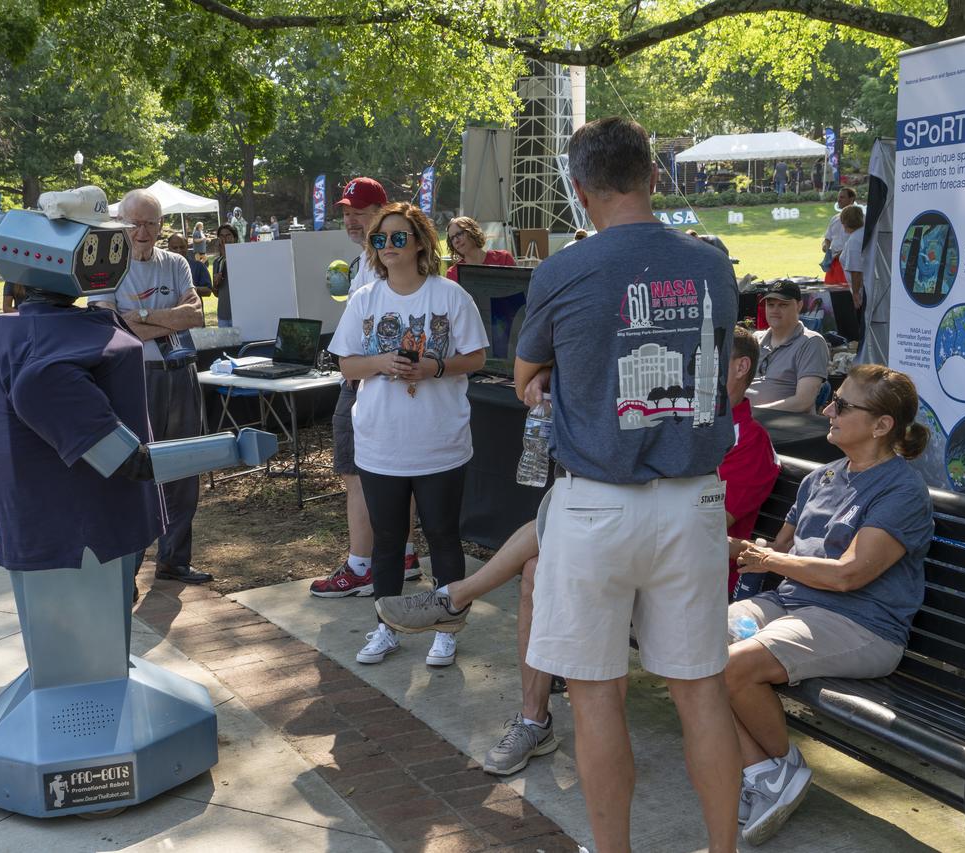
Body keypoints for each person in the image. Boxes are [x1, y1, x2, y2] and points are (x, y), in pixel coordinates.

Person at [376, 324, 780, 778]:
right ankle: (532, 719)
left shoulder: (747, 442)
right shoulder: (680, 420)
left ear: (740, 367)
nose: (690, 368)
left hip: (683, 573)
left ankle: (458, 599)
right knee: (538, 566)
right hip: (634, 548)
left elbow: (702, 529)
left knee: (555, 541)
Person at [517, 116, 743, 853]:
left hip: (597, 504)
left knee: (594, 697)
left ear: (580, 192)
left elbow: (526, 378)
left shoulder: (561, 270)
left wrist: (558, 375)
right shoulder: (711, 264)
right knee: (701, 691)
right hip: (695, 499)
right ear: (653, 174)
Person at [729, 364, 933, 845]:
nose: (828, 410)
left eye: (841, 404)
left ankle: (781, 767)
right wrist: (736, 548)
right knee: (690, 648)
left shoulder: (900, 491)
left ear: (882, 425)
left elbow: (849, 575)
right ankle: (765, 771)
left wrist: (768, 558)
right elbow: (774, 551)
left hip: (862, 624)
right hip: (791, 604)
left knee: (730, 667)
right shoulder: (821, 478)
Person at [327, 202, 488, 668]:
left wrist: (435, 366)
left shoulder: (451, 296)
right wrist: (381, 363)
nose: (388, 246)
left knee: (442, 535)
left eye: (398, 237)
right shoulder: (365, 300)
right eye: (380, 239)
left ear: (420, 241)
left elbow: (476, 358)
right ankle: (387, 627)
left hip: (439, 440)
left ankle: (446, 626)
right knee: (387, 540)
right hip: (380, 442)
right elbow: (345, 364)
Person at [87, 188, 210, 585]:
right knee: (137, 470)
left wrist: (139, 315)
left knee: (185, 468)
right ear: (120, 224)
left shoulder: (175, 263)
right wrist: (166, 317)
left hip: (181, 373)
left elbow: (195, 316)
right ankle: (129, 568)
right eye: (135, 223)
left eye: (151, 223)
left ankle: (174, 559)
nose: (143, 232)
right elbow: (113, 327)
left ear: (161, 226)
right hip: (132, 378)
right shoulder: (106, 266)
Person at [310, 177, 424, 597]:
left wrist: (364, 366)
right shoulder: (370, 261)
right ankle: (404, 554)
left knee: (358, 475)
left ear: (383, 210)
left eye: (359, 211)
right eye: (345, 211)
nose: (351, 219)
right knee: (388, 474)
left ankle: (362, 565)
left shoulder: (381, 262)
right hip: (375, 381)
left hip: (366, 384)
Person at [747, 280, 830, 413]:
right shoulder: (755, 339)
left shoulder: (811, 342)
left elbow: (803, 401)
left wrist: (753, 413)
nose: (775, 310)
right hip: (743, 423)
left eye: (783, 305)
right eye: (771, 304)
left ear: (799, 305)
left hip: (785, 427)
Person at [444, 216, 516, 282]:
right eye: (452, 238)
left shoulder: (504, 259)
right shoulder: (453, 273)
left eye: (459, 234)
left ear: (472, 232)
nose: (456, 241)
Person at [167, 234, 213, 311]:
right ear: (169, 248)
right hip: (170, 315)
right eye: (175, 248)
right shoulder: (162, 268)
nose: (179, 250)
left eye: (182, 247)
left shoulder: (198, 266)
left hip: (193, 314)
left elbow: (208, 291)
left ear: (187, 246)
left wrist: (191, 290)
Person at [820, 187, 857, 282]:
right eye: (838, 197)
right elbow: (827, 238)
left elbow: (859, 242)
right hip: (833, 263)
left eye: (842, 197)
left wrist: (842, 253)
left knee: (845, 293)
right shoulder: (835, 218)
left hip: (848, 263)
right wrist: (826, 247)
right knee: (831, 290)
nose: (838, 200)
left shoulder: (859, 219)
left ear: (851, 199)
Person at [210, 223, 237, 327]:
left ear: (235, 238)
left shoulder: (242, 258)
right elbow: (216, 294)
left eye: (228, 235)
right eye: (221, 236)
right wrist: (216, 284)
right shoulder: (217, 262)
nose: (224, 239)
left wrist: (226, 253)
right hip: (223, 315)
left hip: (240, 314)